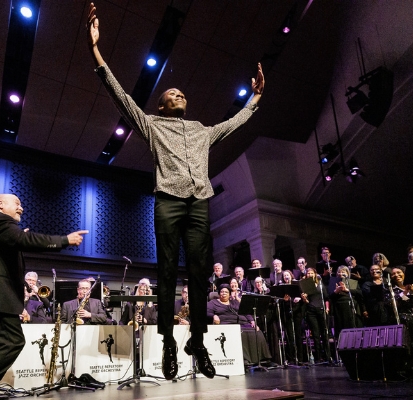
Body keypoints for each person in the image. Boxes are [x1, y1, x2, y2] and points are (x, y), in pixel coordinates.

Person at [87, 2, 264, 381]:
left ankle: (196, 342)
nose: (180, 95)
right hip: (167, 200)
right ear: (163, 105)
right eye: (173, 93)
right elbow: (121, 97)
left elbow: (234, 123)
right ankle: (169, 342)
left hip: (199, 202)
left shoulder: (202, 130)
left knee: (199, 274)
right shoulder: (152, 124)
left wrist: (255, 99)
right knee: (168, 271)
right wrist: (96, 51)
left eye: (183, 93)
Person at [0, 194, 87, 400]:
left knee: (3, 343)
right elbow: (27, 240)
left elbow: (10, 247)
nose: (21, 208)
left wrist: (16, 240)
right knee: (12, 342)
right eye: (16, 203)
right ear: (0, 204)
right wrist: (64, 240)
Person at [207, 285, 273, 366]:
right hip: (227, 324)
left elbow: (245, 311)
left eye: (226, 292)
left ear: (229, 294)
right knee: (240, 333)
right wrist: (214, 316)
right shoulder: (213, 303)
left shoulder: (234, 302)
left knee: (257, 332)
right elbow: (207, 312)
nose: (223, 293)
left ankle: (264, 359)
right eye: (222, 292)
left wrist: (252, 321)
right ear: (218, 293)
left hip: (243, 322)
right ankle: (244, 359)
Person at [295, 268, 330, 363]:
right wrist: (304, 299)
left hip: (322, 309)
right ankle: (319, 357)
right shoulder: (304, 285)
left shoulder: (320, 283)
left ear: (315, 274)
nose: (310, 274)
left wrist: (327, 308)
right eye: (308, 273)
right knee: (315, 334)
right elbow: (306, 302)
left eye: (311, 273)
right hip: (311, 311)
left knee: (324, 333)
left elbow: (326, 297)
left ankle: (328, 356)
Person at [327, 266, 364, 339]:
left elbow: (360, 293)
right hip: (338, 308)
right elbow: (329, 296)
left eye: (343, 272)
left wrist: (347, 290)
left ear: (347, 273)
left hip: (350, 307)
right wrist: (336, 291)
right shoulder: (333, 282)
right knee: (340, 328)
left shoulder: (352, 282)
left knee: (351, 326)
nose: (341, 273)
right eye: (339, 272)